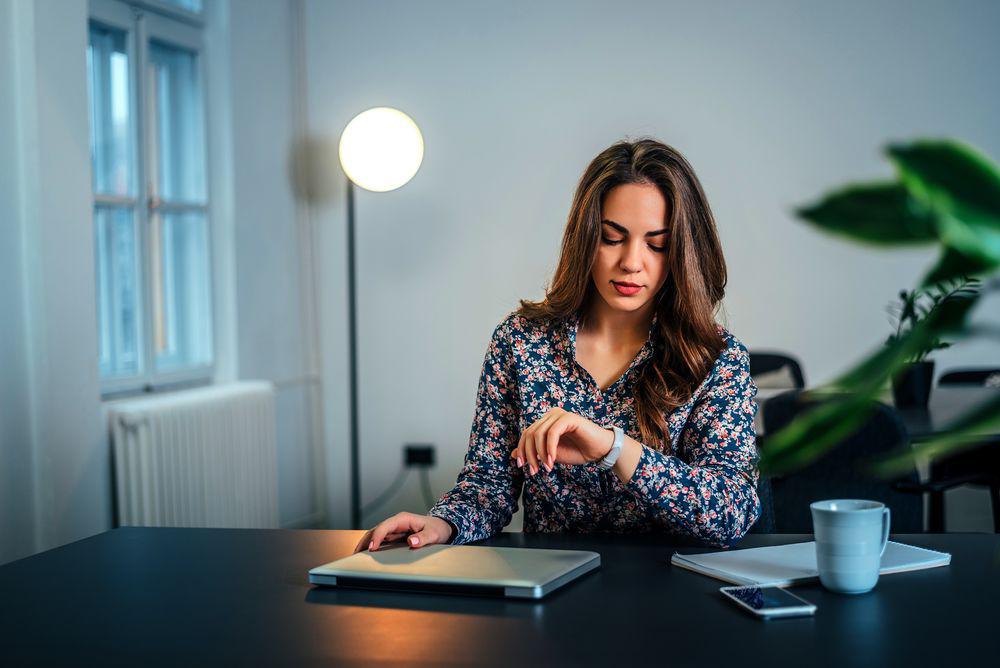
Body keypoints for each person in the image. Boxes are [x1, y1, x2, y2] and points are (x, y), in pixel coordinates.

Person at [354, 138, 760, 554]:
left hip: (674, 591)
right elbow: (488, 487)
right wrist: (441, 524)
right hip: (552, 584)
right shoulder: (519, 342)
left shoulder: (717, 359)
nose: (631, 262)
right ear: (585, 239)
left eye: (657, 244)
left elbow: (731, 512)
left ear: (682, 252)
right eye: (611, 238)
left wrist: (612, 447)